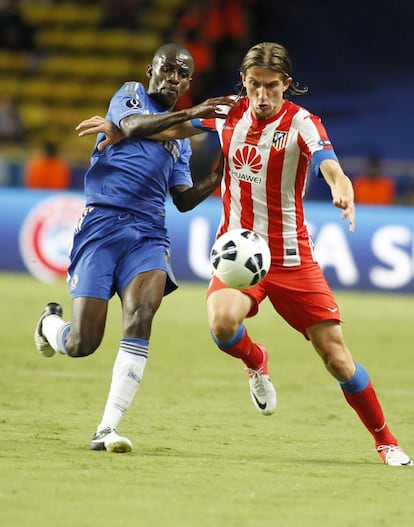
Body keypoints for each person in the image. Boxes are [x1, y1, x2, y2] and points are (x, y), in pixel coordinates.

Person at [77, 42, 413, 466]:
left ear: (286, 85)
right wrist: (119, 127)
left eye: (271, 87)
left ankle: (386, 441)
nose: (262, 96)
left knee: (337, 358)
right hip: (239, 255)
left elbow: (329, 164)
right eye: (254, 85)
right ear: (244, 82)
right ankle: (256, 361)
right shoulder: (226, 111)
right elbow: (172, 129)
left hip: (291, 258)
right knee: (221, 325)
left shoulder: (303, 123)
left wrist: (342, 188)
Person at [33, 43, 233, 453]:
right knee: (82, 344)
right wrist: (198, 113)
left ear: (188, 82)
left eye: (182, 74)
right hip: (102, 226)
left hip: (148, 233)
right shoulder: (129, 96)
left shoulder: (180, 143)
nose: (172, 78)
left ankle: (107, 428)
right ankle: (49, 327)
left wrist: (218, 177)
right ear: (150, 70)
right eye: (166, 70)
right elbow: (138, 126)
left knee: (142, 314)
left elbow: (180, 197)